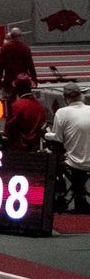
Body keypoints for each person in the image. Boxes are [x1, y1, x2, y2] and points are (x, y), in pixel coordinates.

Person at [45, 83, 90, 213]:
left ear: (65, 98)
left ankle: (60, 196)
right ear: (81, 96)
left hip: (74, 163)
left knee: (57, 160)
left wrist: (47, 135)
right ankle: (81, 198)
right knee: (79, 152)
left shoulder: (62, 112)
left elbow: (58, 138)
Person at [3, 75, 46, 151]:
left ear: (16, 89)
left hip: (20, 146)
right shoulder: (39, 104)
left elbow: (10, 127)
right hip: (36, 145)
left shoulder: (17, 106)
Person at [0, 27, 37, 102]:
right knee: (24, 101)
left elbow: (0, 66)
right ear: (20, 36)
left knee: (8, 102)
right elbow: (30, 65)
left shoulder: (5, 47)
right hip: (23, 81)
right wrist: (34, 79)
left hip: (9, 80)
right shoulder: (25, 48)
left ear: (10, 36)